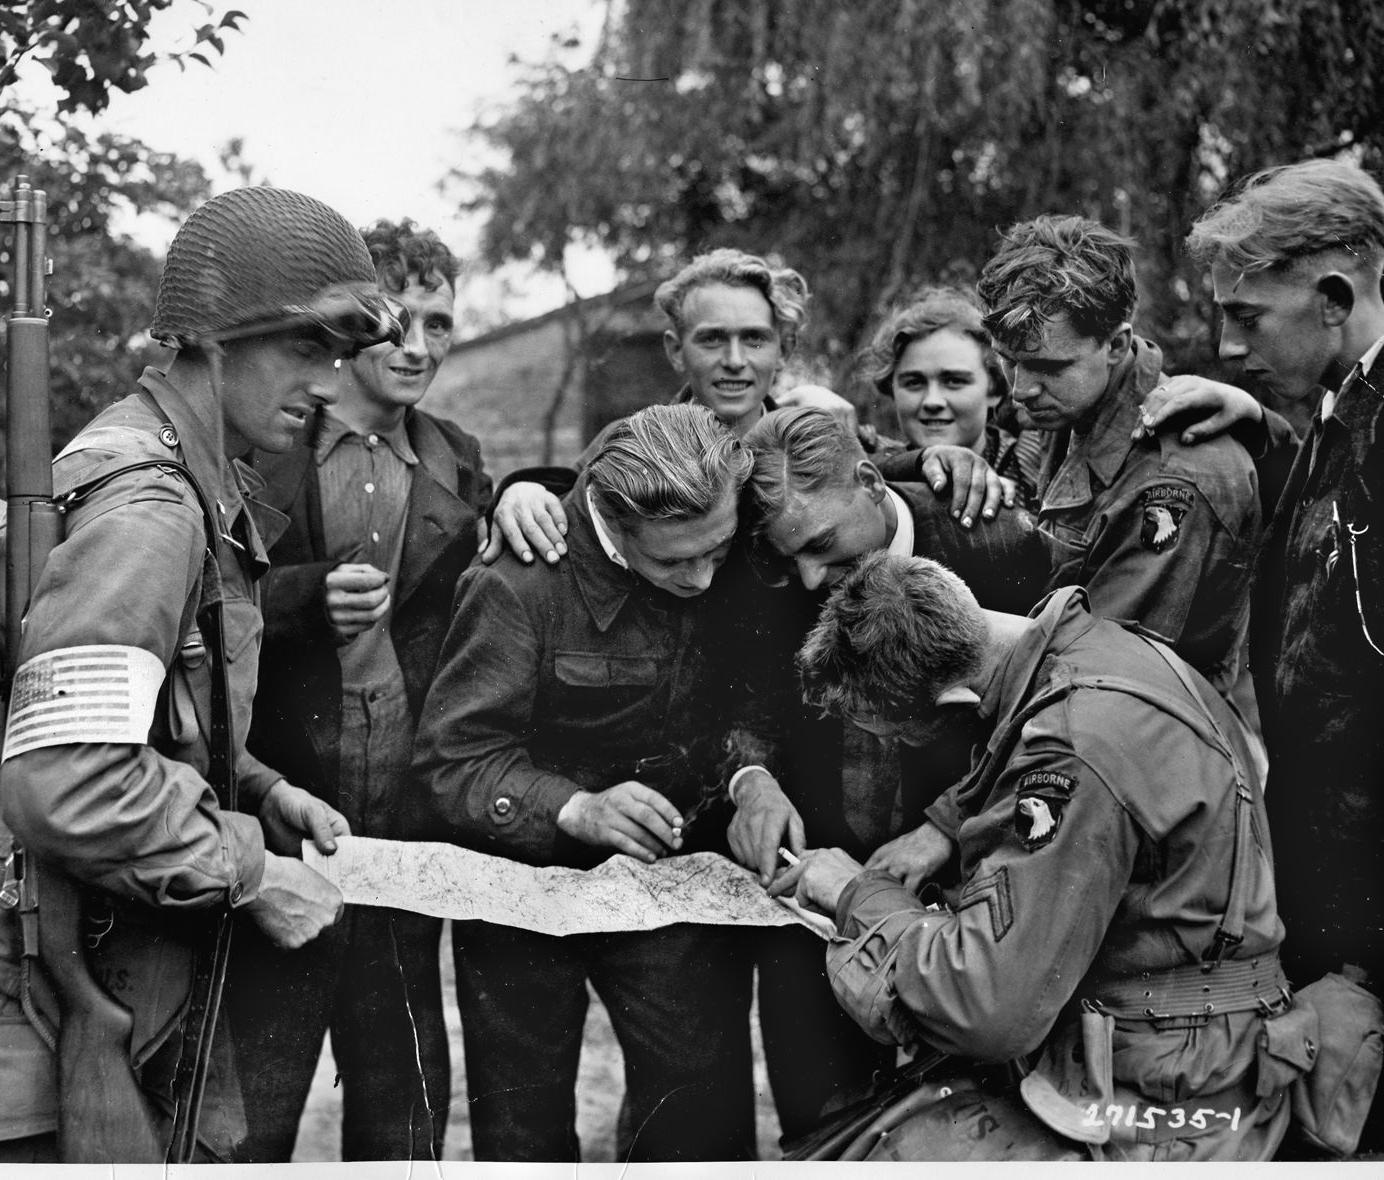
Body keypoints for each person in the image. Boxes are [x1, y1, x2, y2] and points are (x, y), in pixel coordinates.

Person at [0, 187, 395, 1162]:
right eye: (302, 349)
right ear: (212, 341)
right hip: (20, 974)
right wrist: (249, 871)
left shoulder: (184, 473)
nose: (328, 382)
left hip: (66, 941)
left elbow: (147, 714)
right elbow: (67, 776)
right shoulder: (152, 506)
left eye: (336, 355)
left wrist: (262, 791)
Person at [776, 552, 1293, 1161]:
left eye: (895, 734)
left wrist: (854, 894)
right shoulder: (1095, 648)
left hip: (1166, 1094)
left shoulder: (1073, 744)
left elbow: (988, 1008)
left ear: (954, 706)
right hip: (1181, 1041)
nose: (893, 747)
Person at [412, 403, 758, 1162]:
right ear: (610, 519)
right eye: (673, 564)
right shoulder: (519, 584)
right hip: (523, 900)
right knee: (521, 1131)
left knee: (702, 1119)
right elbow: (451, 760)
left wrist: (751, 774)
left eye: (718, 552)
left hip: (671, 890)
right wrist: (575, 807)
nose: (702, 579)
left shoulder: (720, 535)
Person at [223, 219, 491, 1161]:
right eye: (396, 323)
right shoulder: (266, 447)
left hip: (408, 818)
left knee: (404, 1089)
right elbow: (208, 601)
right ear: (348, 328)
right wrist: (300, 599)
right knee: (256, 1095)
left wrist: (536, 488)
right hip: (284, 805)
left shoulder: (458, 457)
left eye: (442, 325)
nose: (418, 348)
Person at [1139, 158, 1384, 1152]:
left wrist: (1365, 964)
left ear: (1333, 299)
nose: (1231, 348)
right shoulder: (1339, 414)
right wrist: (1275, 440)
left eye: (1250, 317)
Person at [723, 405, 1047, 1134]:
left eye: (823, 545)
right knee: (821, 1124)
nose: (809, 580)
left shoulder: (993, 538)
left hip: (970, 896)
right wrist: (754, 780)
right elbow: (737, 694)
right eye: (788, 557)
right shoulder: (768, 566)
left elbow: (1056, 711)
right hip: (811, 897)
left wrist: (944, 827)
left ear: (871, 482)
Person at [488, 248, 1008, 566]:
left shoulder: (813, 435)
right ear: (675, 350)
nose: (734, 362)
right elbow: (569, 490)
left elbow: (878, 465)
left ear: (784, 350)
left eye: (755, 340)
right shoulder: (631, 442)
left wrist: (938, 459)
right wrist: (520, 489)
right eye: (712, 340)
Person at [973, 215, 1263, 706]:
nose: (1021, 390)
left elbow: (1100, 674)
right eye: (1008, 360)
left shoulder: (1176, 476)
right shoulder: (1070, 403)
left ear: (1116, 345)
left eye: (1046, 367)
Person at [867, 286, 1045, 511]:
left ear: (995, 390)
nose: (932, 401)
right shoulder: (878, 474)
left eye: (954, 381)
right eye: (914, 383)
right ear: (892, 390)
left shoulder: (1036, 461)